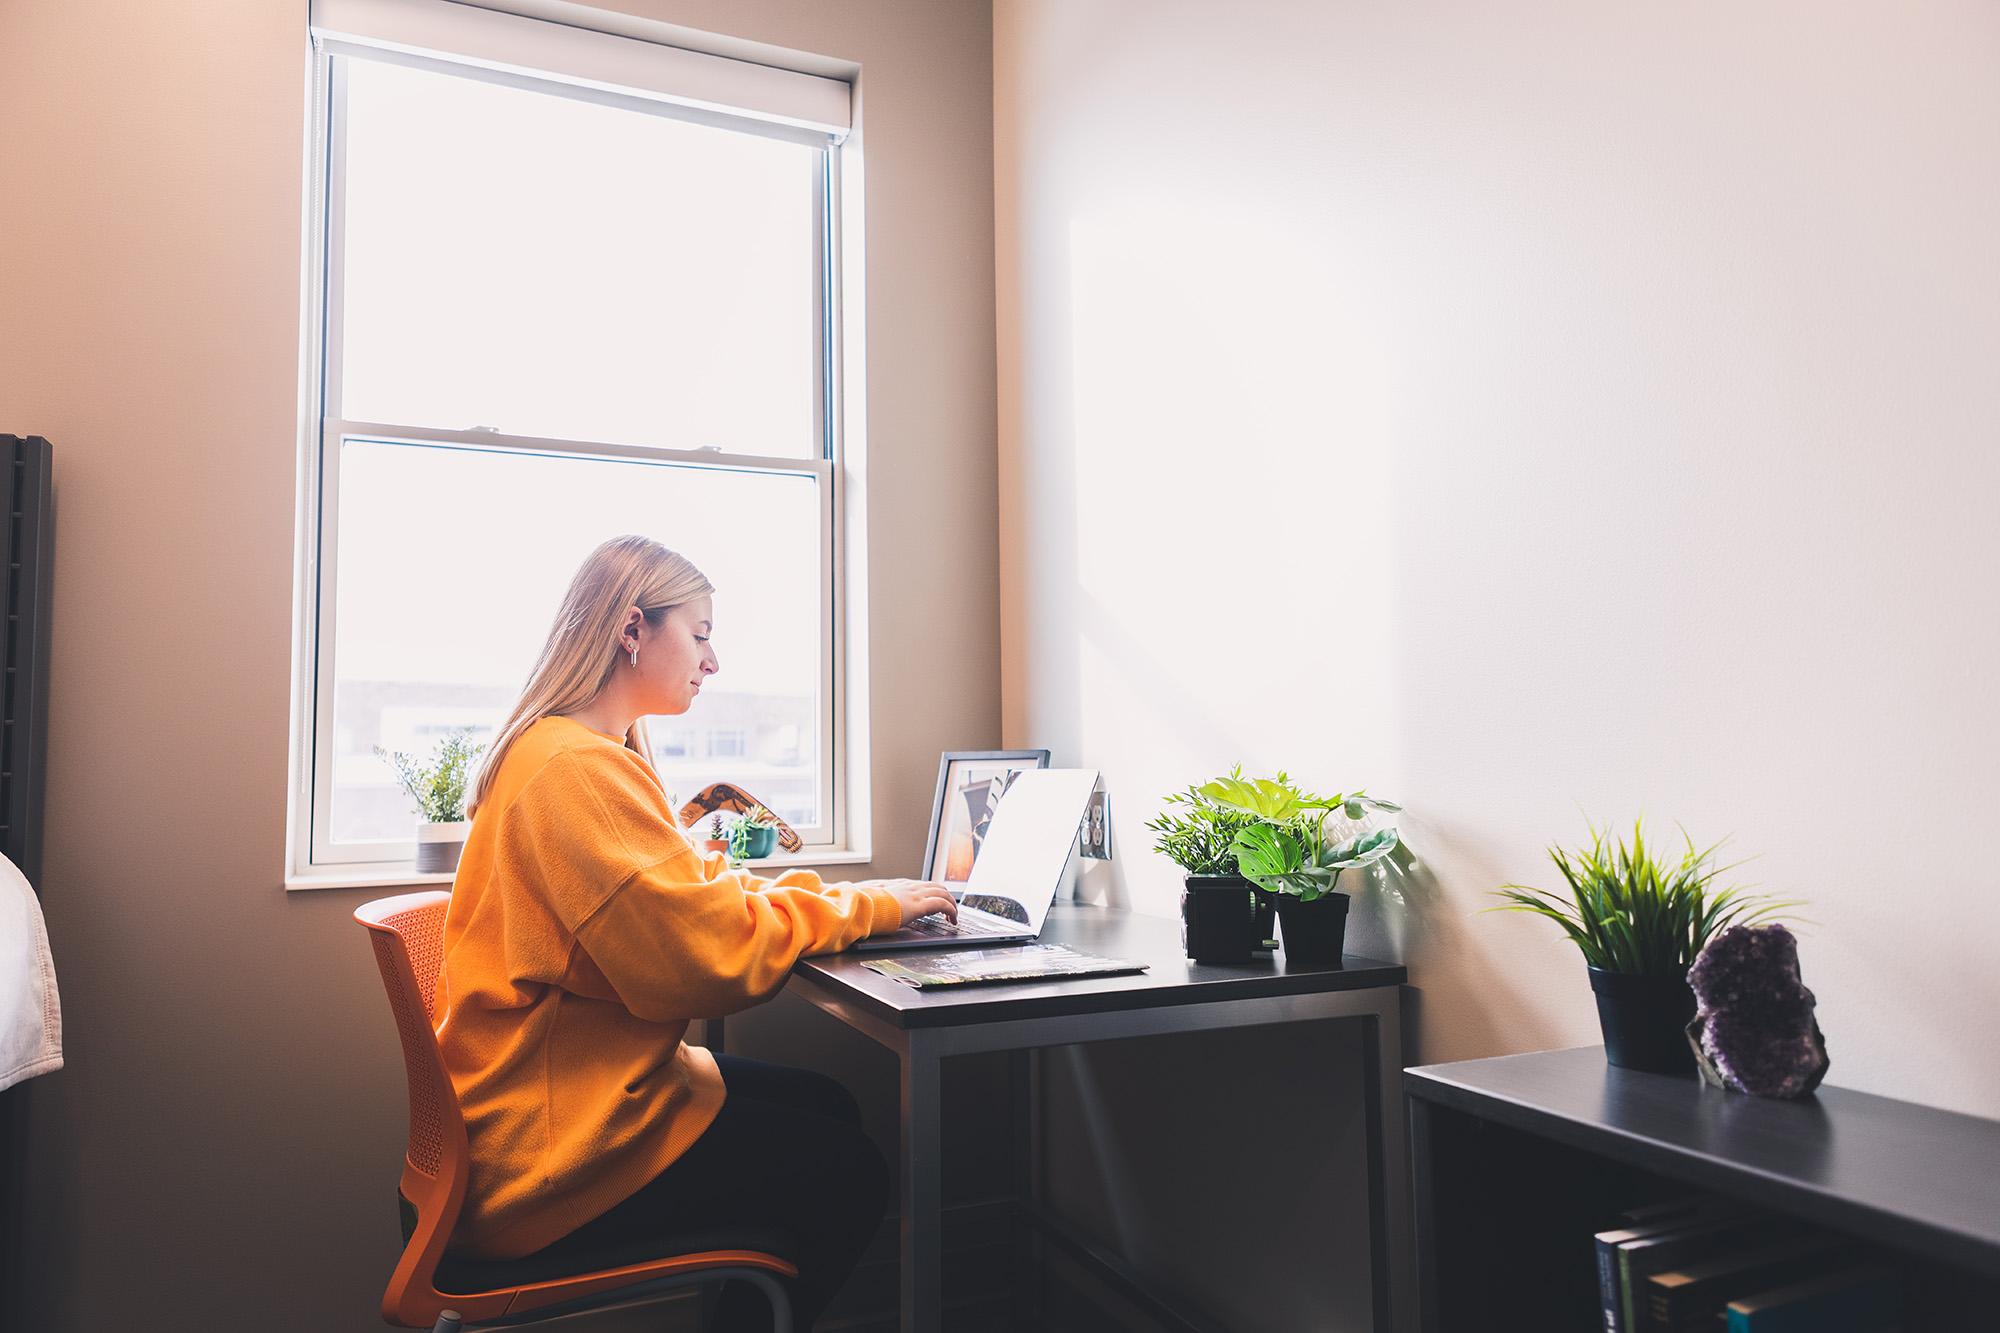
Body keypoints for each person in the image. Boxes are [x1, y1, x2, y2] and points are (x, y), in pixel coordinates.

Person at [435, 534, 958, 1332]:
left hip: (559, 1102)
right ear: (631, 629)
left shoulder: (575, 752)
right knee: (851, 1172)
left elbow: (691, 901)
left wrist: (857, 899)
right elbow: (704, 960)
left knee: (829, 1103)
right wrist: (871, 908)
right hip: (553, 1151)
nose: (713, 661)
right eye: (702, 631)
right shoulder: (573, 772)